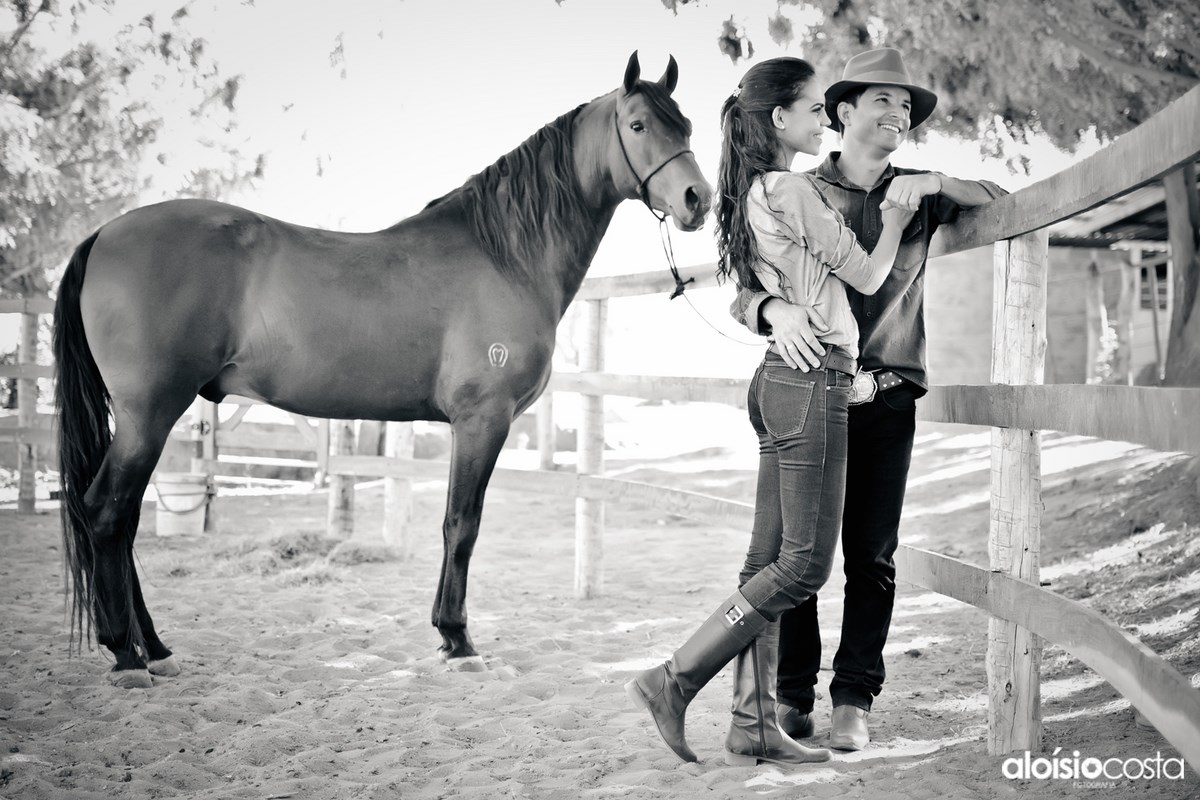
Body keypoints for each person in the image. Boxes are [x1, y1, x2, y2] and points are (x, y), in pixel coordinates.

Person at [625, 56, 916, 767]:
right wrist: (900, 215)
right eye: (816, 109)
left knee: (764, 564)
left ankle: (752, 723)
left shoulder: (751, 189)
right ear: (779, 118)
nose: (825, 120)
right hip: (814, 382)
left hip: (777, 381)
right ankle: (675, 677)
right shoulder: (789, 186)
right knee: (803, 569)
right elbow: (871, 273)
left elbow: (760, 282)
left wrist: (774, 304)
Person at [729, 48, 1007, 752]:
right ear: (843, 110)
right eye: (883, 99)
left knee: (871, 557)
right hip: (811, 387)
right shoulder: (792, 187)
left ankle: (853, 696)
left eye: (907, 105)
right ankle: (791, 696)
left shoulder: (920, 193)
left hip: (885, 397)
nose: (899, 112)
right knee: (797, 553)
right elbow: (743, 284)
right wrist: (767, 309)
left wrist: (938, 180)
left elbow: (1001, 201)